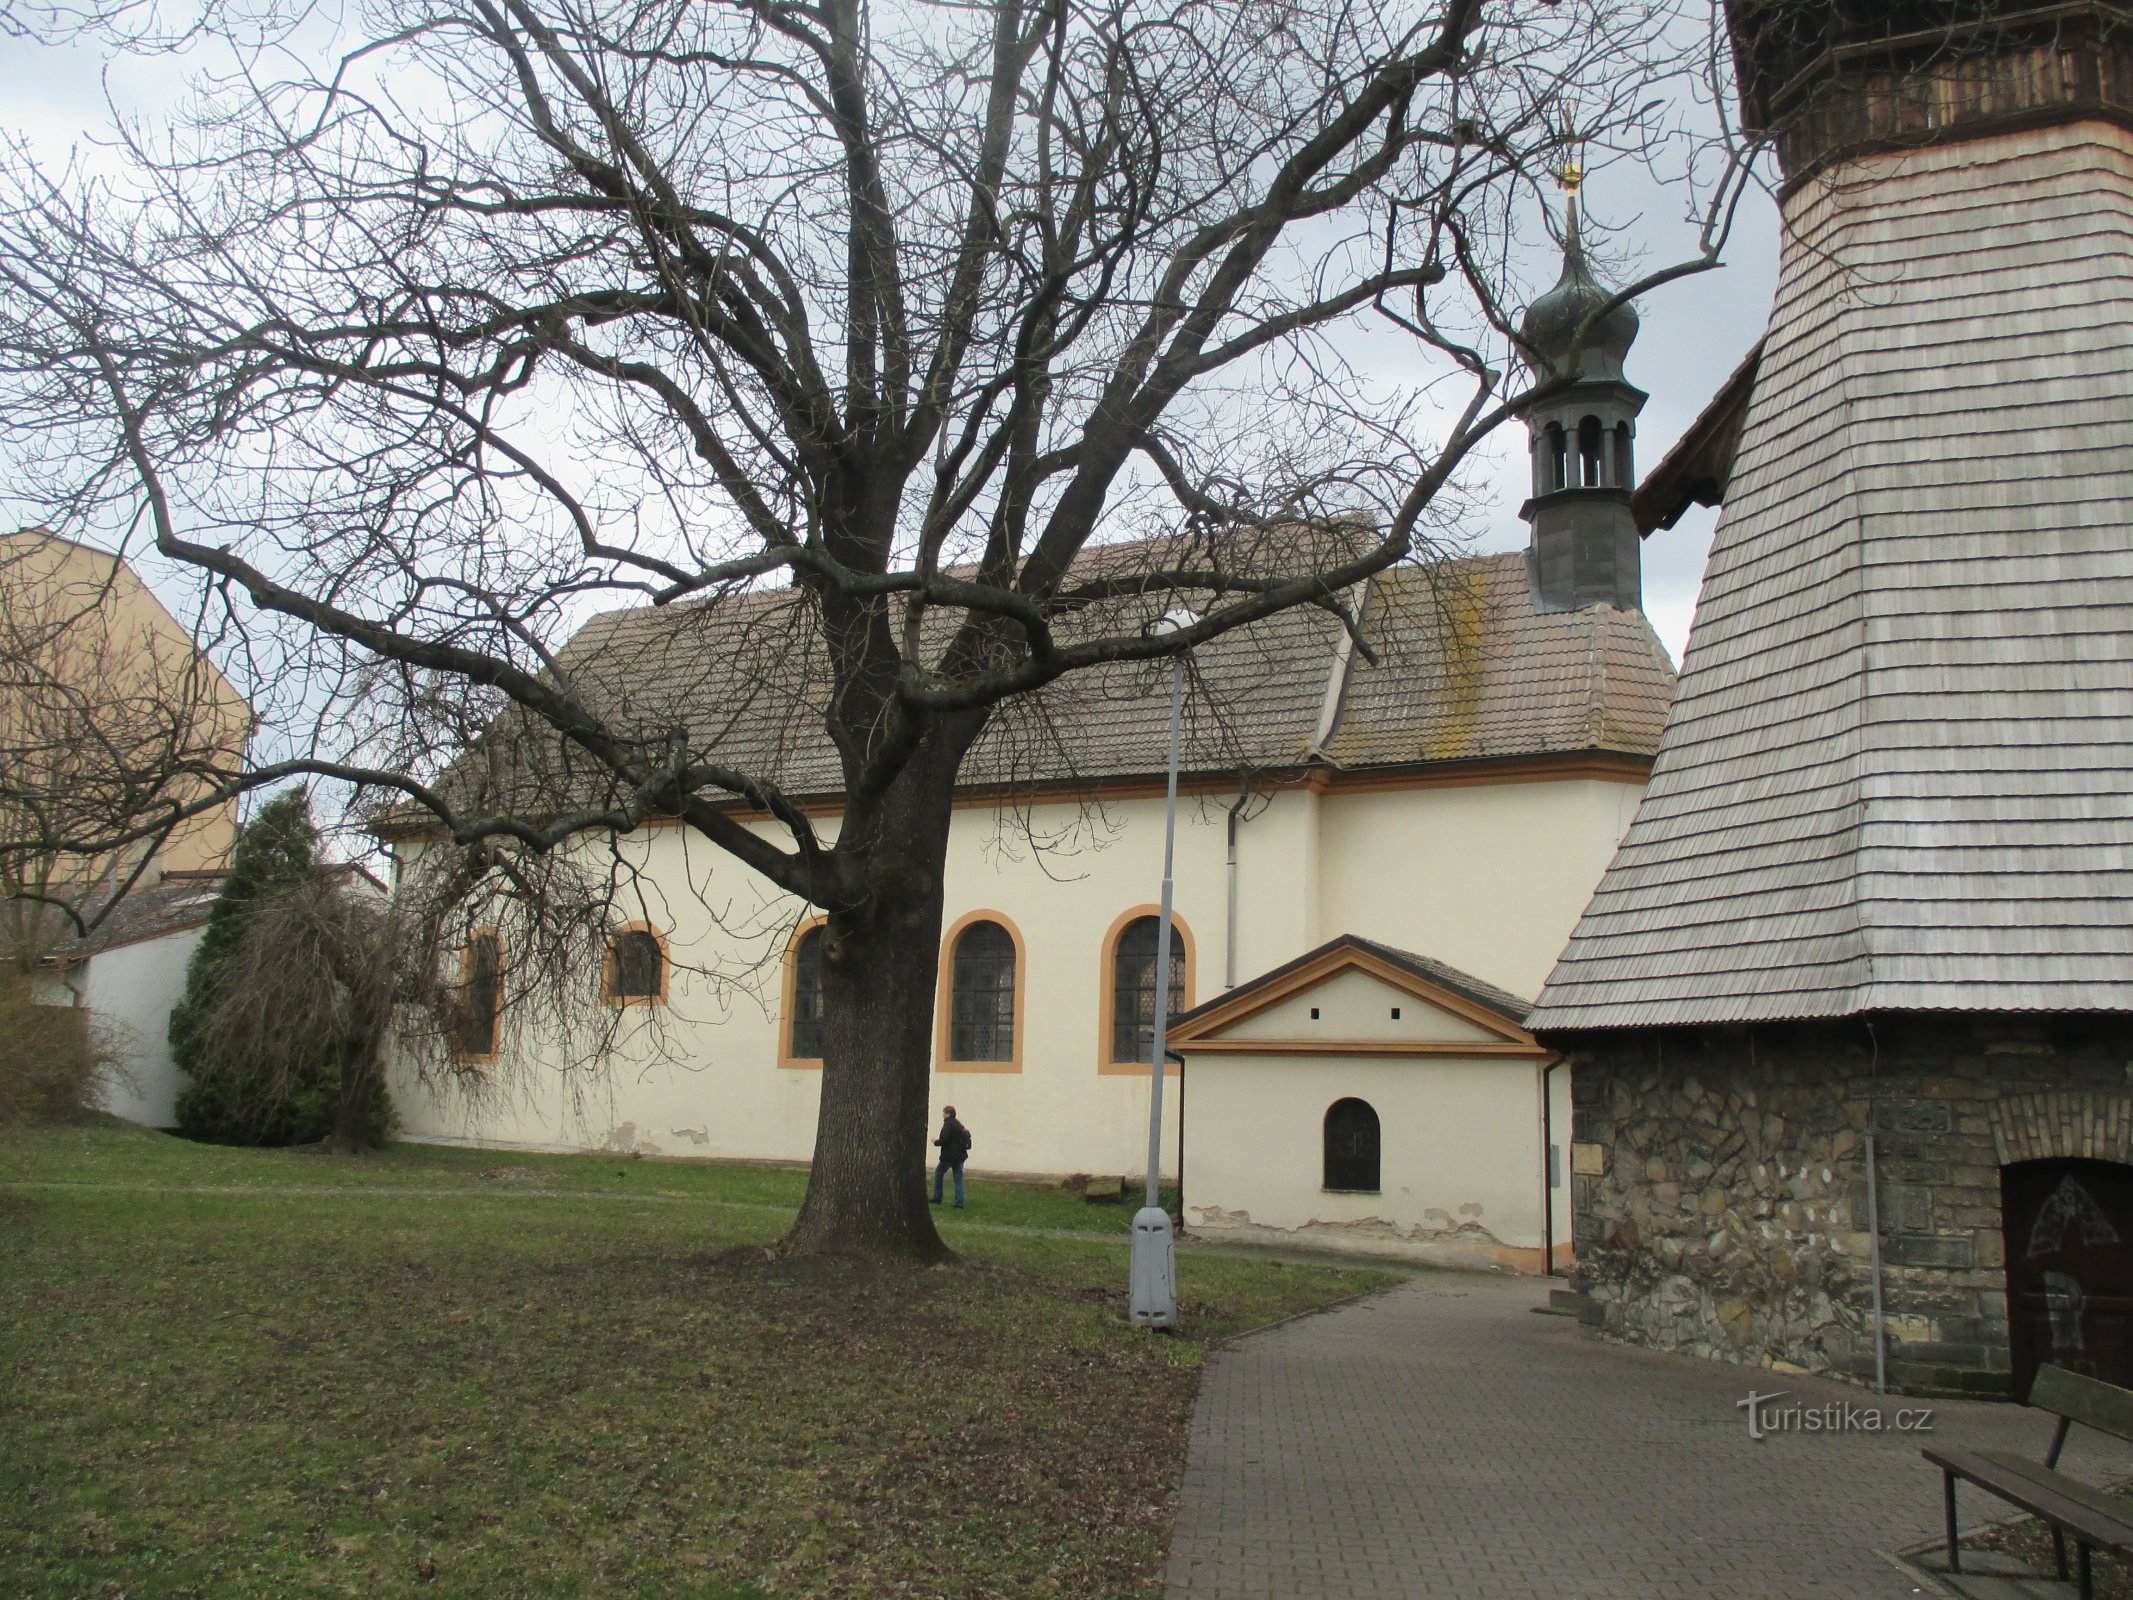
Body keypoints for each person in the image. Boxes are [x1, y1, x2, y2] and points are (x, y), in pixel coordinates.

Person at [931, 1105, 972, 1209]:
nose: (942, 1115)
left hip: (949, 1155)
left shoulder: (948, 1124)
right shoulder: (958, 1124)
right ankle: (959, 1202)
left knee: (938, 1173)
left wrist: (936, 1141)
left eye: (944, 1113)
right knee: (958, 1178)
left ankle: (937, 1197)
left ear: (948, 1114)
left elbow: (944, 1139)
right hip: (960, 1155)